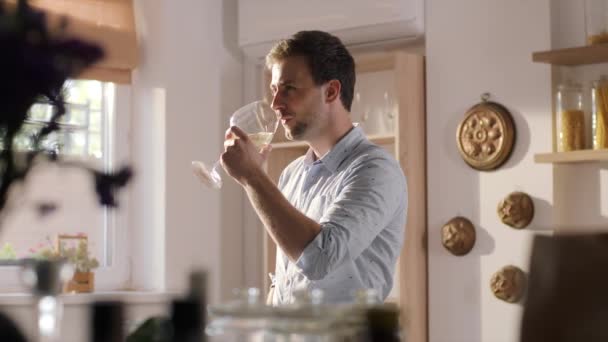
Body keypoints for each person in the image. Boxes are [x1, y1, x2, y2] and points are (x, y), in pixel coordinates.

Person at [221, 30, 407, 304]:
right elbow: (286, 279)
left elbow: (320, 258)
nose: (275, 104)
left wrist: (252, 177)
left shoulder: (376, 170)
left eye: (289, 89)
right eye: (274, 90)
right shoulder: (292, 173)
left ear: (331, 91)